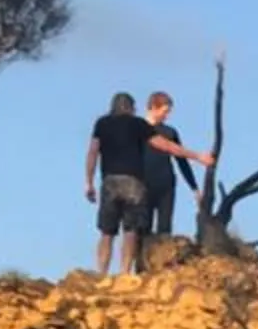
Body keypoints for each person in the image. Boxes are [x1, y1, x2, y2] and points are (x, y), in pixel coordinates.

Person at [83, 93, 211, 278]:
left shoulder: (102, 123)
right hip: (134, 183)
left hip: (110, 181)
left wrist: (88, 182)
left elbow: (92, 152)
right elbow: (167, 146)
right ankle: (125, 273)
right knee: (131, 230)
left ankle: (102, 273)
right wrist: (198, 156)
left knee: (107, 231)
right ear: (131, 107)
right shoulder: (138, 124)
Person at [142, 90, 204, 250]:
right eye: (165, 111)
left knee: (165, 228)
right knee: (143, 228)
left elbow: (181, 160)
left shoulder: (170, 132)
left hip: (166, 184)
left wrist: (194, 187)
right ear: (154, 107)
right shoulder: (137, 128)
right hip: (143, 184)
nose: (167, 116)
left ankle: (162, 265)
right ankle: (141, 268)